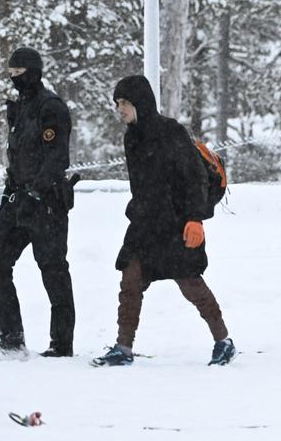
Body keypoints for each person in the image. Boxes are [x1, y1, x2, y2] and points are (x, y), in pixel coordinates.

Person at [91, 75, 236, 367]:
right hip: (144, 225)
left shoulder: (170, 131)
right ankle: (123, 348)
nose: (120, 108)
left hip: (176, 224)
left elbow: (194, 177)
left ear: (140, 103)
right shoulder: (131, 136)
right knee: (130, 282)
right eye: (117, 103)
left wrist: (195, 219)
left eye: (125, 102)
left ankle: (223, 341)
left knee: (190, 284)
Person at [0, 47, 76, 357]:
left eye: (18, 74)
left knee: (53, 270)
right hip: (17, 200)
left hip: (46, 202)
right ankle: (11, 337)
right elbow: (19, 157)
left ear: (32, 73)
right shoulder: (20, 107)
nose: (13, 80)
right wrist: (13, 193)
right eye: (10, 75)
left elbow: (56, 158)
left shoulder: (52, 108)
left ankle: (61, 345)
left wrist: (36, 193)